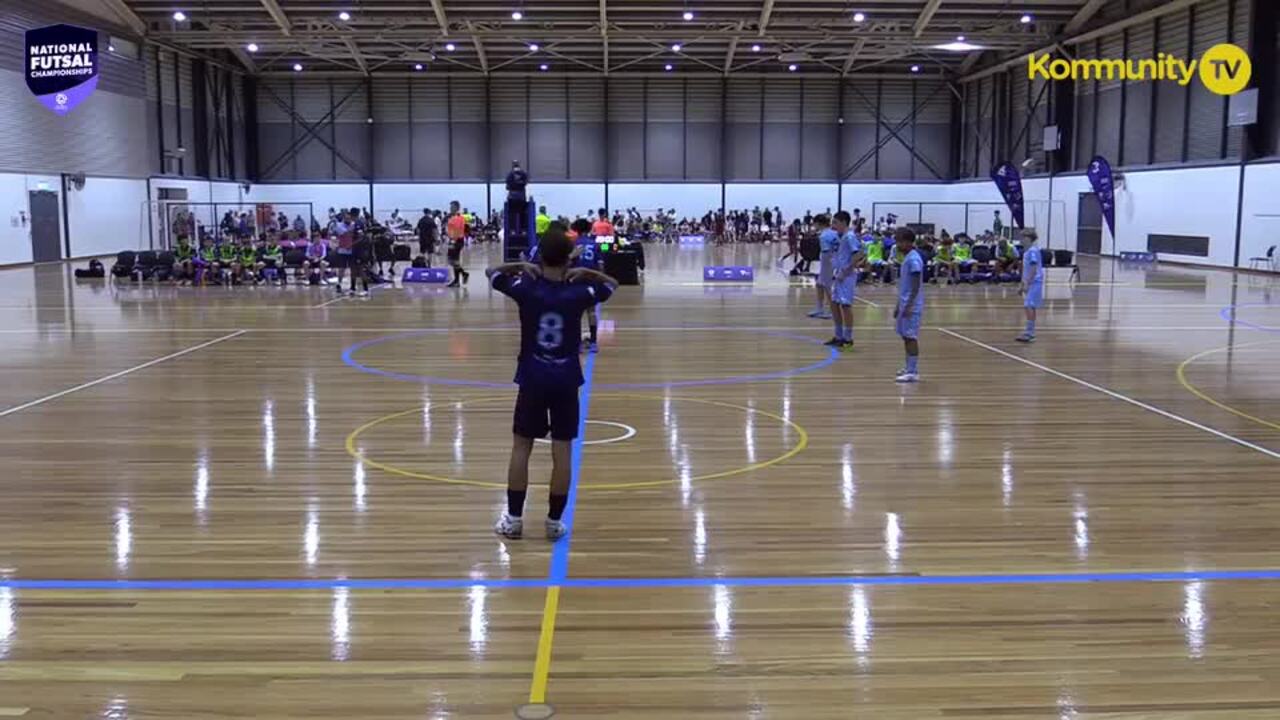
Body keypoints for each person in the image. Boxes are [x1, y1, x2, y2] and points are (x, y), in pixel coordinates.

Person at [488, 228, 618, 540]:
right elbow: (611, 284)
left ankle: (514, 520)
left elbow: (491, 273)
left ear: (539, 256)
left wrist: (518, 267)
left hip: (532, 377)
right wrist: (585, 270)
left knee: (522, 446)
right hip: (566, 379)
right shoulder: (579, 293)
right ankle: (554, 522)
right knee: (563, 451)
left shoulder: (526, 289)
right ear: (569, 257)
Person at [826, 210, 864, 350]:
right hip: (838, 275)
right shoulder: (840, 237)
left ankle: (848, 339)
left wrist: (845, 271)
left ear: (843, 222)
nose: (834, 225)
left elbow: (858, 254)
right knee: (835, 304)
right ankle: (838, 335)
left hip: (846, 277)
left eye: (835, 222)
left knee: (845, 306)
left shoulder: (849, 236)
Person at [893, 228, 924, 383]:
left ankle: (912, 371)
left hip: (912, 305)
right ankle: (909, 367)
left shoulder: (913, 260)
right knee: (905, 336)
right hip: (905, 304)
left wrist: (910, 305)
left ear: (907, 242)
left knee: (911, 337)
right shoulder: (907, 258)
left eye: (899, 241)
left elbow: (915, 285)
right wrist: (899, 305)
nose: (897, 244)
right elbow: (904, 286)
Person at [569, 218, 603, 352]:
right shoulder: (595, 244)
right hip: (590, 281)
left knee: (576, 313)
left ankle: (577, 344)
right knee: (592, 312)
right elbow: (600, 266)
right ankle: (594, 343)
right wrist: (599, 281)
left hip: (575, 281)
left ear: (575, 229)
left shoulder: (572, 244)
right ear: (589, 229)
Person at [1016, 229, 1044, 343]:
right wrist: (1022, 284)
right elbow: (1026, 270)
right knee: (1029, 306)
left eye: (1022, 238)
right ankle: (1029, 331)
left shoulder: (1032, 251)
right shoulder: (1027, 252)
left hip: (1034, 282)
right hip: (1030, 282)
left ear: (1028, 238)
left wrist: (1027, 283)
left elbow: (1032, 268)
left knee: (1029, 306)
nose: (1021, 240)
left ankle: (1030, 333)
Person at [809, 214, 836, 320]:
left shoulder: (824, 236)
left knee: (827, 286)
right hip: (831, 262)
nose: (813, 226)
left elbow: (826, 252)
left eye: (814, 223)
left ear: (819, 223)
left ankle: (832, 311)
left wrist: (825, 268)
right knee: (819, 284)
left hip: (828, 263)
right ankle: (819, 308)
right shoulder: (833, 233)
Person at [446, 200, 470, 287]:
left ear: (456, 208)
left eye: (452, 207)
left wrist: (453, 241)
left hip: (456, 240)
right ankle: (457, 280)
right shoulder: (458, 218)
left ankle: (463, 275)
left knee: (452, 260)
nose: (450, 209)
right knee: (454, 261)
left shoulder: (456, 218)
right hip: (457, 240)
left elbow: (456, 231)